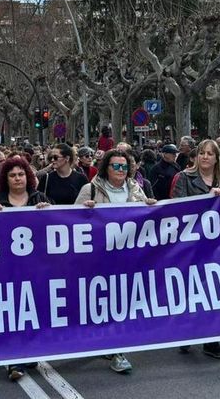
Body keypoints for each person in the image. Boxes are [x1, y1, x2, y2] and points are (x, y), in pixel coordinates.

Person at [75, 150, 156, 373]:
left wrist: (150, 208)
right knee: (104, 304)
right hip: (99, 260)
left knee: (121, 304)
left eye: (124, 166)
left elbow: (146, 222)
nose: (121, 170)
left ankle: (117, 350)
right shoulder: (90, 189)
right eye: (116, 166)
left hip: (128, 260)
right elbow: (74, 222)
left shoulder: (136, 189)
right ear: (106, 168)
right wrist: (84, 211)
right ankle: (105, 343)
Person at [171, 139, 220, 360]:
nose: (205, 157)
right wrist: (207, 199)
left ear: (216, 158)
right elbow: (178, 210)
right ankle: (187, 332)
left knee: (212, 291)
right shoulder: (184, 178)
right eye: (201, 153)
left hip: (218, 247)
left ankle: (211, 340)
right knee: (191, 291)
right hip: (191, 246)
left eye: (209, 154)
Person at [0, 156, 51, 381]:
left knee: (33, 309)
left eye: (21, 174)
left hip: (36, 268)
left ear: (28, 176)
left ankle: (31, 351)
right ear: (6, 179)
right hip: (8, 269)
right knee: (12, 311)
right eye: (12, 175)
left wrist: (48, 211)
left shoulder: (39, 198)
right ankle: (15, 360)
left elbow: (55, 228)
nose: (17, 178)